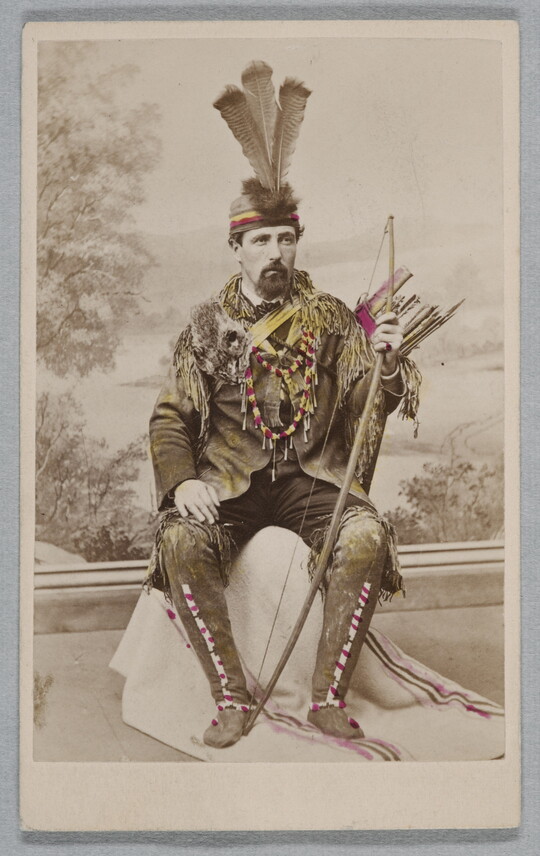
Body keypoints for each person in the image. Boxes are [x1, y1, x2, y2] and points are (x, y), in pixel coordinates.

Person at [144, 62, 421, 749]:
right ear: (236, 248)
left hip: (310, 480)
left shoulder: (332, 318)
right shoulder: (205, 325)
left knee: (365, 534)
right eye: (261, 240)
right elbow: (171, 417)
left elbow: (366, 402)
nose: (275, 252)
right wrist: (182, 482)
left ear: (297, 242)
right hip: (230, 484)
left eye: (285, 238)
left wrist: (387, 363)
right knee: (180, 539)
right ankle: (231, 699)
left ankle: (328, 698)